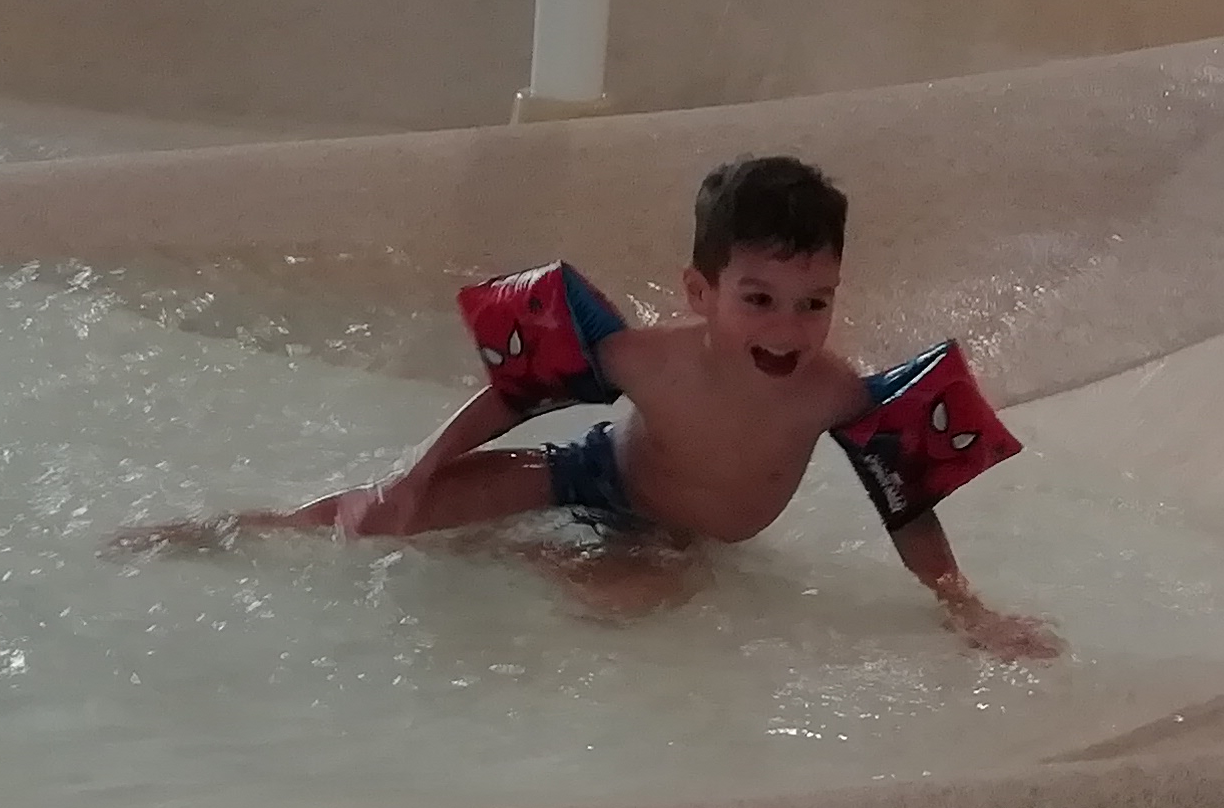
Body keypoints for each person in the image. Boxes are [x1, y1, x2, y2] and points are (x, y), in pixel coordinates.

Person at [135, 156, 1059, 656]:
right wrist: (414, 478)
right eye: (759, 299)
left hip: (674, 534)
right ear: (700, 292)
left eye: (813, 302)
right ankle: (229, 531)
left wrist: (966, 609)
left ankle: (507, 553)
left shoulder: (835, 394)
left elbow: (907, 508)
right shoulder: (644, 360)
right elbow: (514, 398)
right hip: (583, 474)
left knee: (628, 603)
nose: (789, 327)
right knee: (382, 519)